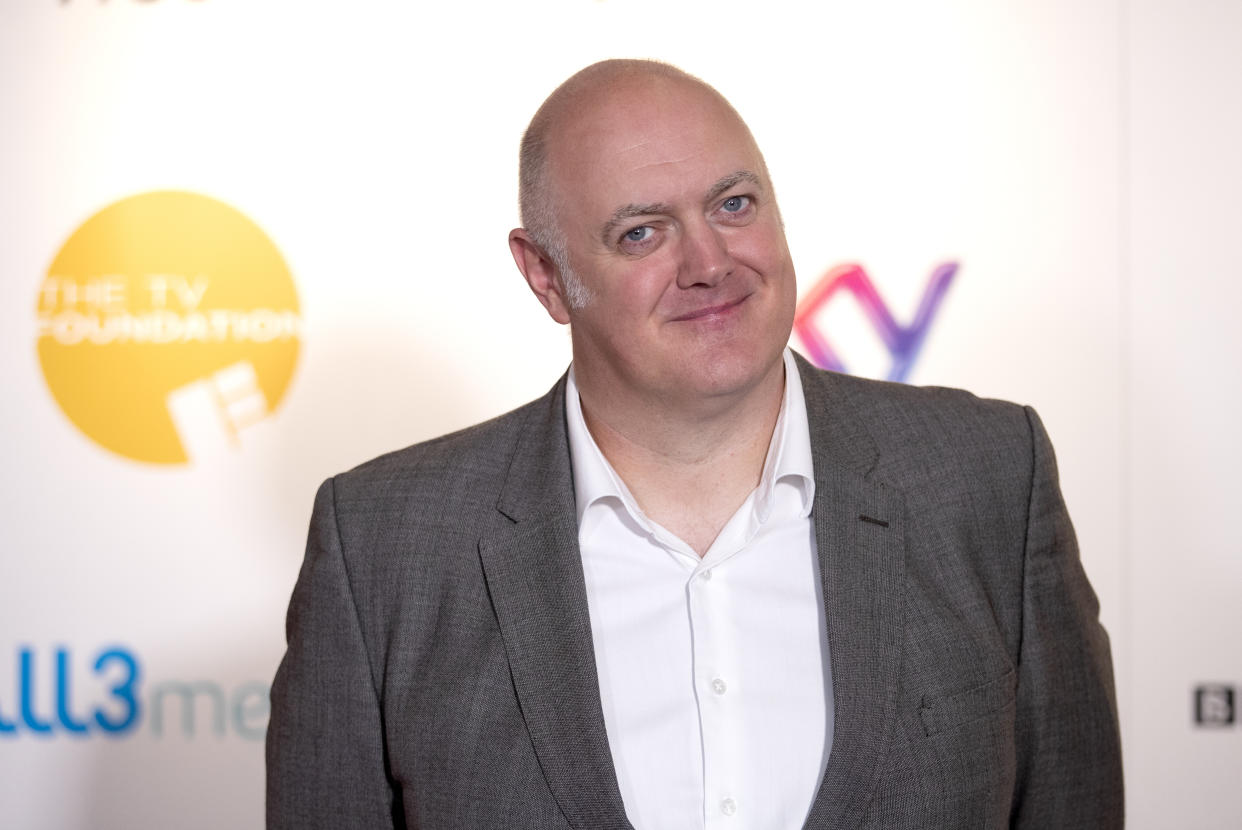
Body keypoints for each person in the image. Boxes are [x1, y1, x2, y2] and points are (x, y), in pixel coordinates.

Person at [266, 59, 1123, 829]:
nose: (709, 262)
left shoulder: (986, 476)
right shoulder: (383, 545)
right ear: (546, 276)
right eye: (642, 231)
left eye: (733, 205)